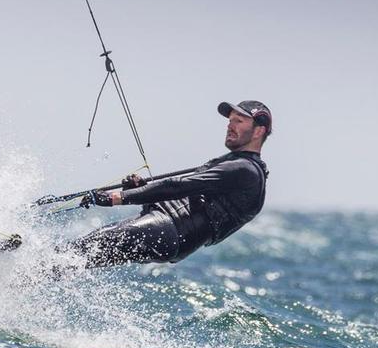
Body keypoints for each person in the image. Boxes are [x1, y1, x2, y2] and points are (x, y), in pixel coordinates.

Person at [66, 100, 271, 268]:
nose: (230, 125)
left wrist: (117, 197)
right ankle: (36, 283)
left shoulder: (245, 170)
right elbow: (188, 201)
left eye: (239, 121)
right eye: (230, 120)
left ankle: (36, 274)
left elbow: (179, 186)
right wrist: (138, 190)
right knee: (80, 257)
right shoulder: (237, 165)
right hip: (166, 234)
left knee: (80, 251)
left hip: (166, 230)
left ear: (258, 131)